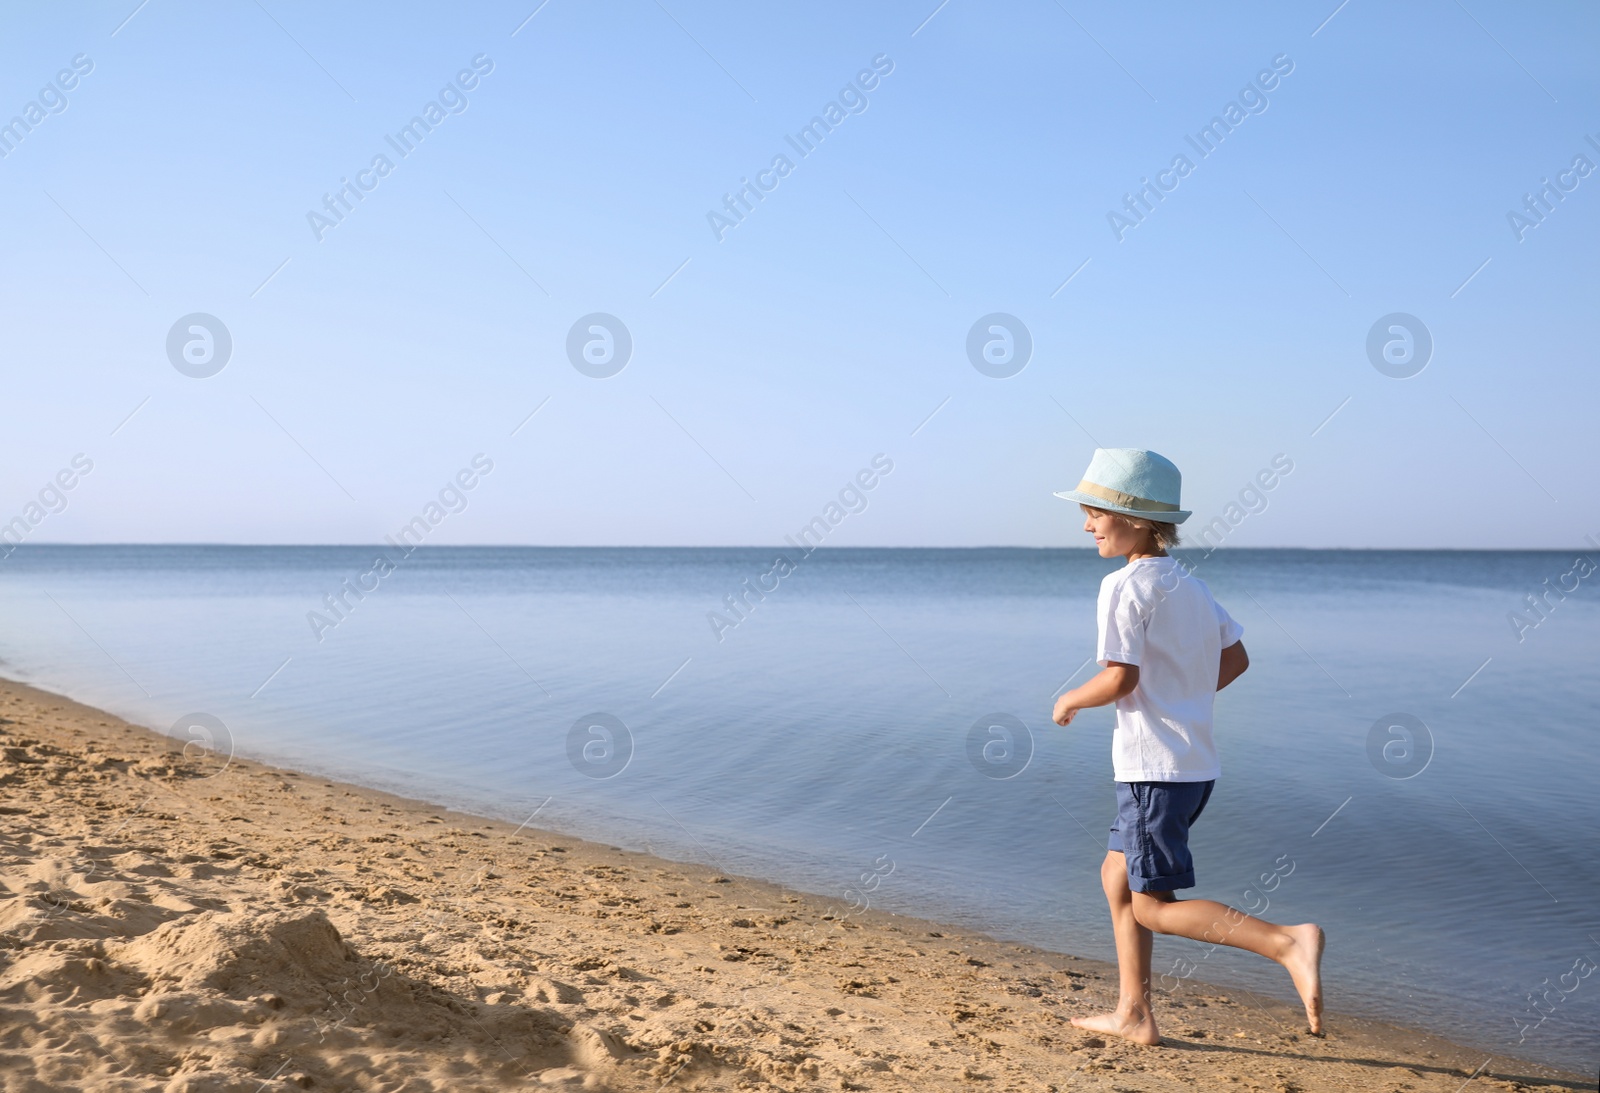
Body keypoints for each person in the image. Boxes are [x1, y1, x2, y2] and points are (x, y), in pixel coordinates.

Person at [1049, 447, 1324, 1045]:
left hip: (1152, 768)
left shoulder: (1122, 587)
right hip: (1193, 765)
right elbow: (1237, 657)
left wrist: (1071, 698)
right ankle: (1134, 1014)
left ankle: (1285, 941)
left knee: (1152, 905)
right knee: (1116, 878)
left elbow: (1119, 677)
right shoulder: (1189, 586)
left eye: (1095, 511)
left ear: (1138, 519)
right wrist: (1182, 696)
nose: (1087, 523)